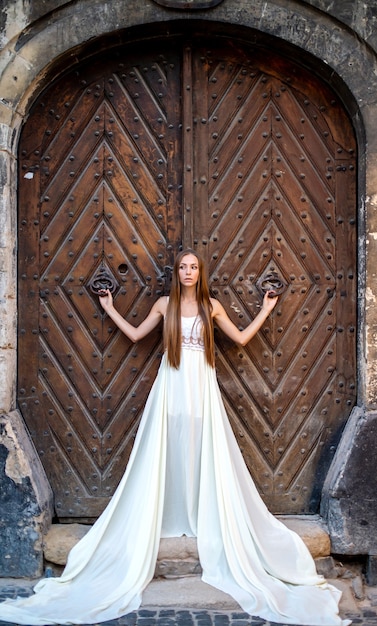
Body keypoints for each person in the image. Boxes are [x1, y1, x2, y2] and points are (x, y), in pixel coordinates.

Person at [0, 249, 350, 626]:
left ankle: (200, 515)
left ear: (200, 272)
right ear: (177, 272)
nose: (187, 271)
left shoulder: (211, 306)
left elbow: (243, 338)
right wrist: (109, 306)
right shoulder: (164, 304)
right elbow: (136, 335)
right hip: (171, 386)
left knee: (202, 451)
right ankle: (171, 513)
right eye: (183, 267)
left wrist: (266, 309)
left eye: (193, 267)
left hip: (202, 387)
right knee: (167, 451)